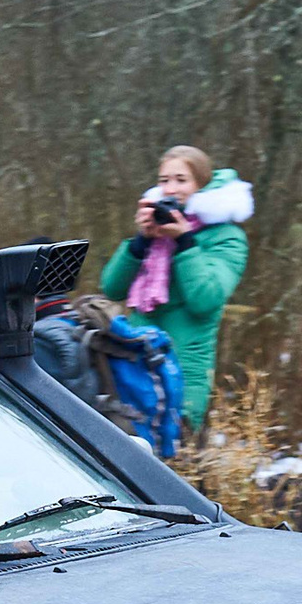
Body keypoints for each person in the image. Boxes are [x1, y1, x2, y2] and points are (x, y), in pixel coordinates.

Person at [99, 145, 254, 436]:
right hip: (132, 373)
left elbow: (204, 299)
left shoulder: (226, 237)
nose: (170, 189)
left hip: (183, 377)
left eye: (181, 180)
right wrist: (141, 242)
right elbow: (112, 288)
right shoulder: (155, 231)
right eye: (164, 180)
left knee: (171, 467)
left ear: (201, 184)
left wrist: (184, 242)